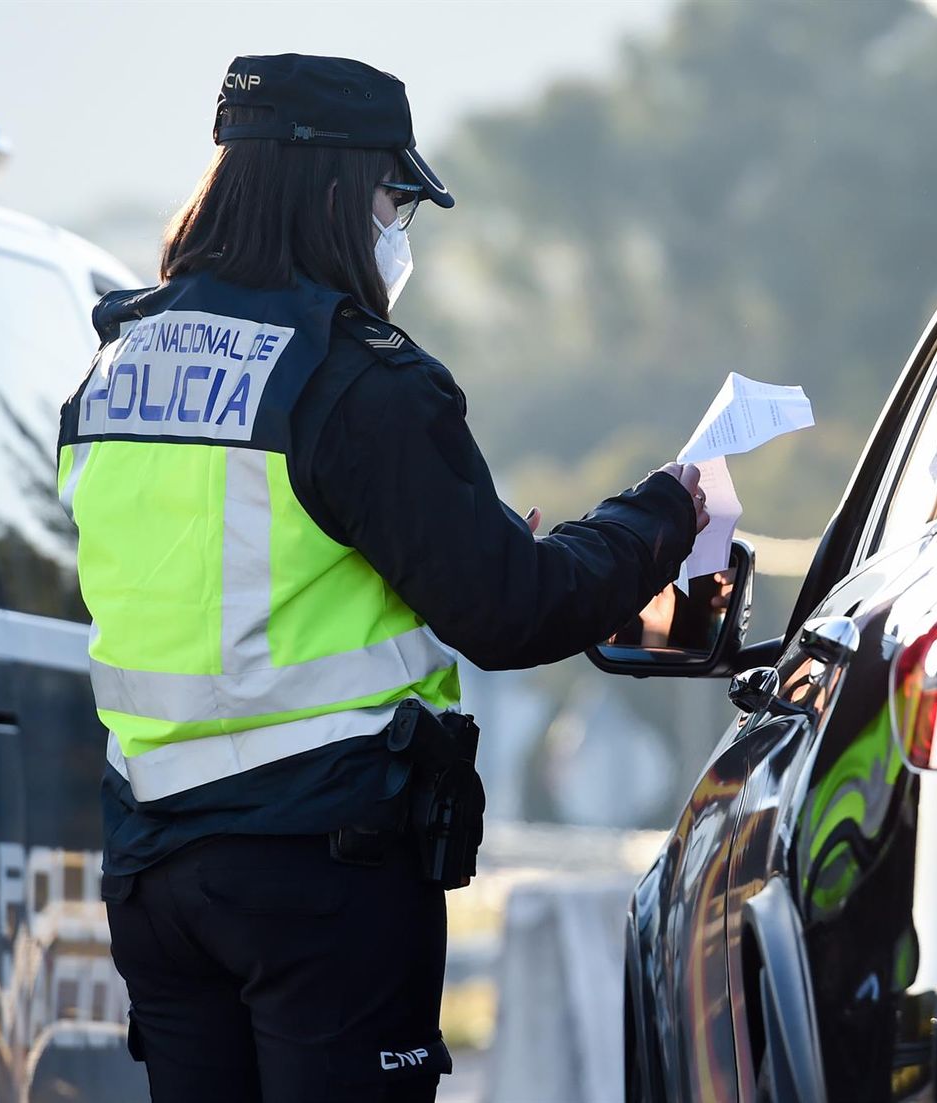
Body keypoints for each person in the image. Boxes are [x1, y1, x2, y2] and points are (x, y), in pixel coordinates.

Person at [55, 53, 708, 1102]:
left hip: (155, 871)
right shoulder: (354, 375)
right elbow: (513, 610)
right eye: (393, 197)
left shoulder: (112, 366)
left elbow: (234, 566)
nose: (395, 227)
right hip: (321, 869)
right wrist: (665, 512)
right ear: (334, 190)